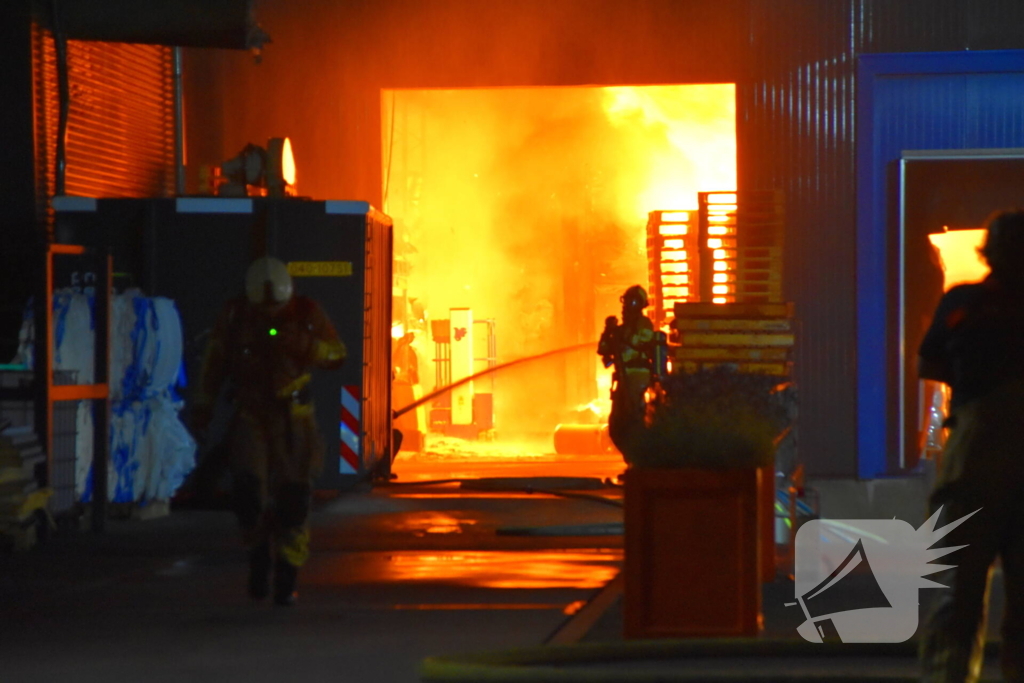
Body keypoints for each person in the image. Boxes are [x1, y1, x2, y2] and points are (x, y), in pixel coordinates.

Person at [191, 256, 346, 605]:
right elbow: (214, 364)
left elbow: (337, 354)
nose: (272, 317)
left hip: (294, 419)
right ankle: (258, 557)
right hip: (251, 417)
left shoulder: (306, 313)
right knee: (247, 495)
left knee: (294, 501)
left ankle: (288, 575)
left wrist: (305, 346)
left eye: (278, 307)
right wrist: (203, 407)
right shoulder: (236, 316)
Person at [917, 210, 1024, 682]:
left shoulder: (964, 303)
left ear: (988, 254)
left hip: (974, 462)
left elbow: (930, 364)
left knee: (955, 590)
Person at [599, 285, 657, 428]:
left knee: (635, 411)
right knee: (618, 416)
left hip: (638, 376)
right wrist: (608, 332)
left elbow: (633, 346)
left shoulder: (644, 325)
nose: (626, 307)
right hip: (623, 378)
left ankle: (640, 436)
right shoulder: (620, 330)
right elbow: (603, 350)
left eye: (632, 302)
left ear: (639, 306)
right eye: (626, 302)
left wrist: (618, 338)